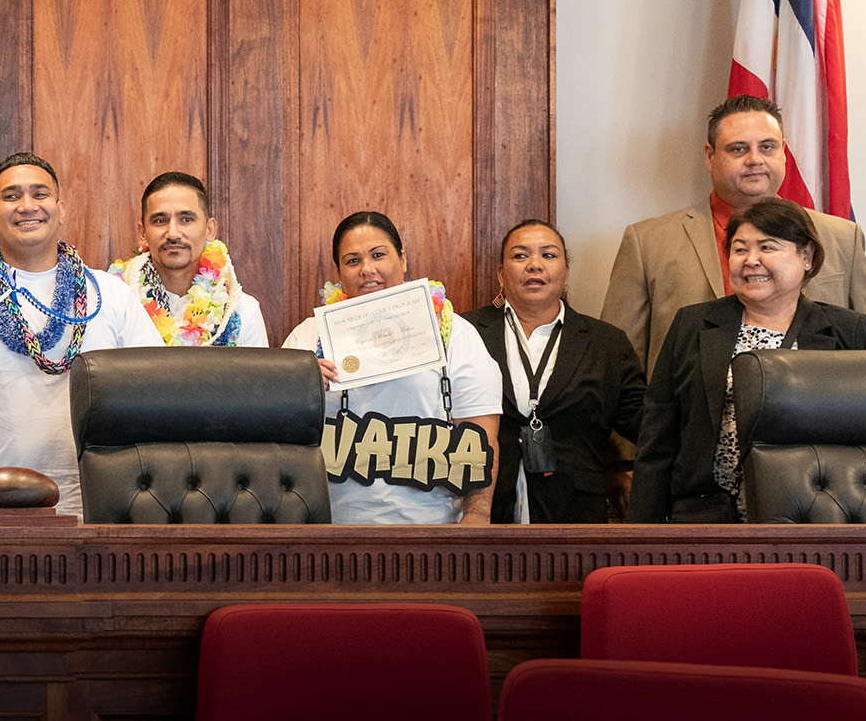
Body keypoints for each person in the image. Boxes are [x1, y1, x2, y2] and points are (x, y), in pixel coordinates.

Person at [630, 198, 866, 523]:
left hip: (815, 518)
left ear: (806, 256)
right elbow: (657, 439)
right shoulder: (692, 325)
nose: (751, 261)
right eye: (739, 249)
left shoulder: (848, 331)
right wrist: (643, 533)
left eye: (767, 247)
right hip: (704, 518)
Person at [603, 94, 866, 375]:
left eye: (767, 147)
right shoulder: (647, 242)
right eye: (738, 149)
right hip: (690, 418)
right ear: (710, 156)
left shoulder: (842, 237)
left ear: (784, 152)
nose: (755, 160)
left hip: (817, 416)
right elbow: (619, 365)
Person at [0, 153, 158, 516]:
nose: (27, 205)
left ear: (61, 209)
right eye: (11, 196)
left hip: (98, 504)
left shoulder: (110, 294)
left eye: (40, 194)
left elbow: (157, 387)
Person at [280, 211, 501, 524]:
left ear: (403, 259)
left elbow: (481, 435)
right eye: (353, 260)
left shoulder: (455, 333)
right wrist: (301, 386)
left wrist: (477, 514)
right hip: (328, 528)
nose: (368, 269)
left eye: (379, 255)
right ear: (340, 272)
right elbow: (276, 436)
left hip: (430, 525)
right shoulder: (307, 335)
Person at [462, 220, 644, 523]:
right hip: (483, 511)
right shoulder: (465, 333)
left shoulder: (606, 343)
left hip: (575, 513)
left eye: (548, 255)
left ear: (567, 272)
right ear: (500, 274)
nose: (535, 265)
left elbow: (646, 425)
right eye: (520, 256)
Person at [109, 171, 268, 347]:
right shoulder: (115, 303)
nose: (173, 233)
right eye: (160, 221)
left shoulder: (242, 312)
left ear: (209, 230)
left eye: (186, 219)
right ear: (143, 233)